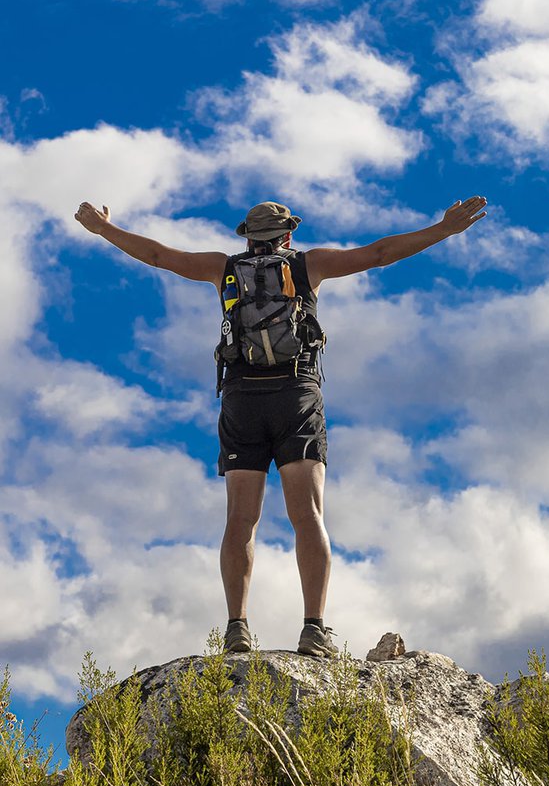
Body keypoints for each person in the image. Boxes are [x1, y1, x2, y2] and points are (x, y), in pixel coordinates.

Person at [75, 195, 487, 657]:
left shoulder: (222, 268)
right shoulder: (311, 266)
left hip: (241, 399)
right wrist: (442, 228)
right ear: (288, 235)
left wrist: (105, 230)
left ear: (247, 237)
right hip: (296, 396)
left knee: (241, 519)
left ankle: (237, 627)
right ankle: (314, 628)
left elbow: (157, 255)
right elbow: (379, 253)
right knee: (307, 515)